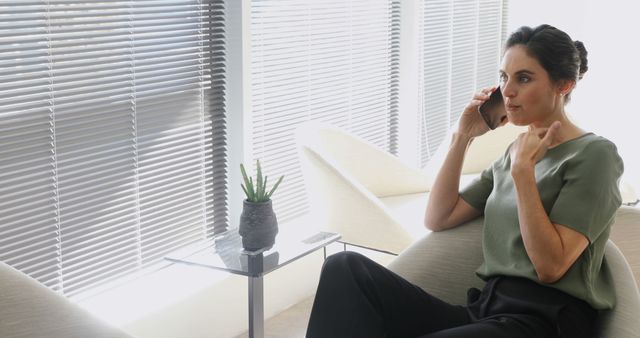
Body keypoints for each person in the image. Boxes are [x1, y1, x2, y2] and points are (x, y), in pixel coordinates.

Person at [305, 24, 624, 338]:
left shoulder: (595, 155)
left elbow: (551, 267)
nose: (507, 91)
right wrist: (462, 136)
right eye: (504, 77)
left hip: (544, 321)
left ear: (564, 85)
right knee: (345, 268)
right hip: (488, 309)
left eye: (523, 78)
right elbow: (439, 217)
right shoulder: (513, 154)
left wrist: (524, 175)